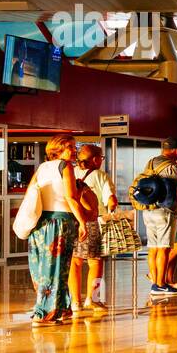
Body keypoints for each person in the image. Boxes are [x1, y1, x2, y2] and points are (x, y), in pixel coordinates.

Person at [25, 134, 85, 324]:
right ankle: (45, 312)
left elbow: (31, 191)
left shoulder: (42, 167)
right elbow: (71, 198)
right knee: (58, 268)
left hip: (41, 223)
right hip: (60, 222)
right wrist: (82, 221)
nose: (74, 150)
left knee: (43, 267)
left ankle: (60, 307)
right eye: (70, 146)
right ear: (57, 149)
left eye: (75, 146)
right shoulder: (65, 166)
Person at [131, 137, 177, 297]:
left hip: (148, 209)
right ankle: (160, 284)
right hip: (164, 211)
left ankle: (156, 282)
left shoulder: (151, 162)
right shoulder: (172, 167)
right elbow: (173, 192)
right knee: (164, 248)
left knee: (153, 248)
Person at [70, 143, 117, 312]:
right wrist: (112, 209)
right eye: (102, 158)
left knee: (75, 263)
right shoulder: (100, 175)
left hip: (72, 221)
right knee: (95, 262)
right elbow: (110, 200)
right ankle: (92, 299)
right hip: (92, 222)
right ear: (96, 159)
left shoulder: (70, 173)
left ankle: (75, 302)